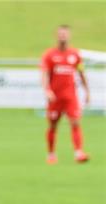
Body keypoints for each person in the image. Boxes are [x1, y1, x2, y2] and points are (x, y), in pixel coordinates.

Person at [41, 25, 90, 164]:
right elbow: (44, 74)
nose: (63, 36)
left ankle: (79, 153)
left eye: (65, 34)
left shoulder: (75, 55)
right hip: (55, 97)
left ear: (69, 36)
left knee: (75, 122)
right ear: (56, 36)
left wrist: (87, 91)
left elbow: (81, 73)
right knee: (53, 125)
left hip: (70, 96)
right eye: (60, 34)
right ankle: (51, 154)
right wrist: (47, 90)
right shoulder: (50, 55)